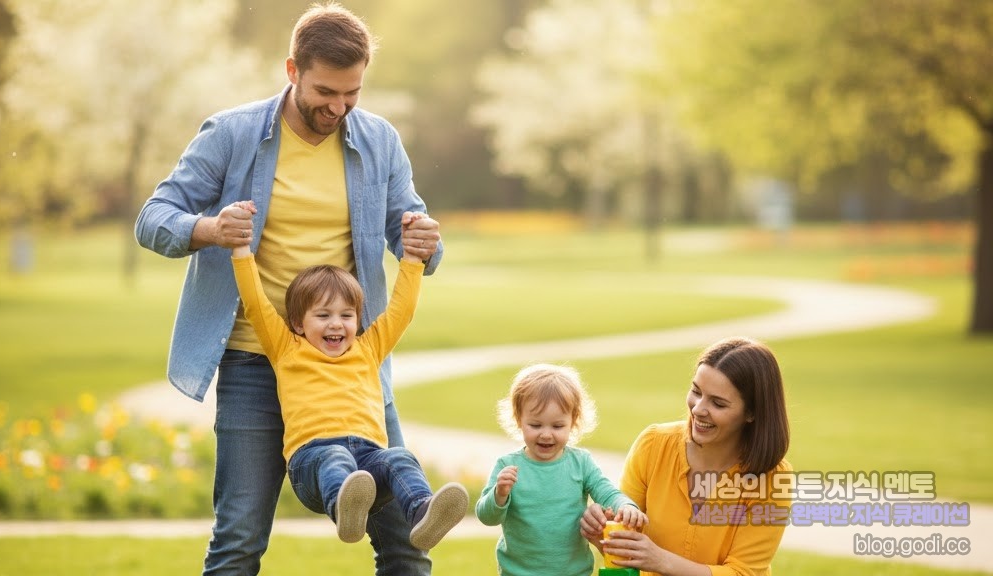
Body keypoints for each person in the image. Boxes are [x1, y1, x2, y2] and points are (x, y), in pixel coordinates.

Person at [134, 3, 442, 574]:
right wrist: (209, 229)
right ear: (292, 70)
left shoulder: (378, 140)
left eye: (351, 93)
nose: (338, 107)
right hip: (255, 360)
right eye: (326, 90)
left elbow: (416, 236)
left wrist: (423, 238)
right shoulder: (232, 133)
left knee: (406, 540)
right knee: (239, 541)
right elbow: (153, 218)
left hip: (351, 361)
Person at [229, 201, 467, 551]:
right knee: (336, 459)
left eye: (346, 315)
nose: (336, 324)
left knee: (400, 458)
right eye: (323, 315)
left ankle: (422, 514)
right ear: (298, 323)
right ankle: (345, 509)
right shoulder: (286, 348)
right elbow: (255, 304)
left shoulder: (368, 348)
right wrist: (240, 250)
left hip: (369, 458)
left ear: (357, 319)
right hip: (313, 461)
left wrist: (413, 260)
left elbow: (402, 309)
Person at [580, 337, 792, 575]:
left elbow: (744, 572)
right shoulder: (653, 445)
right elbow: (627, 543)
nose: (698, 409)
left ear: (751, 412)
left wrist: (661, 560)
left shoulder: (772, 477)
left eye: (718, 404)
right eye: (696, 391)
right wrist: (605, 535)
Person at [476, 363, 648, 576]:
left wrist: (625, 506)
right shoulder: (508, 466)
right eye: (536, 425)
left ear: (573, 422)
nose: (546, 434)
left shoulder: (581, 463)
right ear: (519, 420)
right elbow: (486, 517)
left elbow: (606, 491)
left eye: (557, 426)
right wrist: (499, 494)